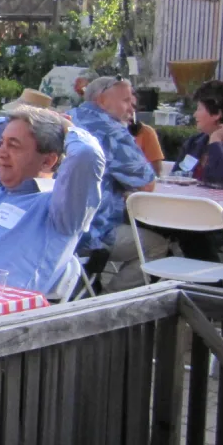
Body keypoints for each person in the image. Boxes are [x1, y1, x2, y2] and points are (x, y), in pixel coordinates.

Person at [0, 105, 105, 294]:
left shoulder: (61, 210)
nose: (1, 153)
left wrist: (66, 126)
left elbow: (87, 154)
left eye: (13, 145)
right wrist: (14, 123)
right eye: (1, 142)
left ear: (47, 161)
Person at [72, 78, 161, 292]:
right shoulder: (112, 131)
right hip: (90, 233)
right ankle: (108, 303)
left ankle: (88, 292)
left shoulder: (67, 119)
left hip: (53, 229)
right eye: (126, 101)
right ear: (103, 100)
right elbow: (147, 184)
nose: (133, 107)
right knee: (157, 246)